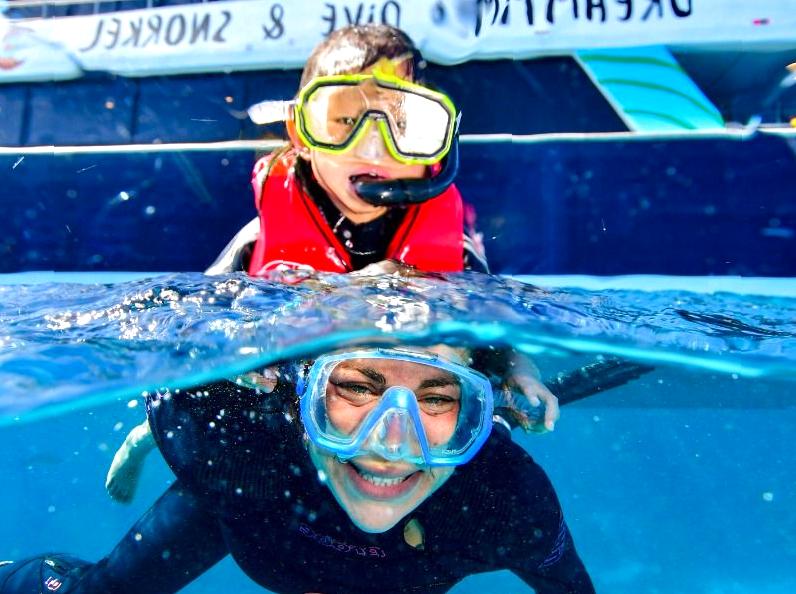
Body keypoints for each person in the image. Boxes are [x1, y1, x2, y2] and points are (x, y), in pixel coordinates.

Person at [105, 24, 560, 504]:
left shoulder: (458, 257)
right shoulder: (257, 242)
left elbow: (498, 338)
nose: (373, 146)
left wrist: (521, 372)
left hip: (375, 407)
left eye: (402, 124)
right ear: (301, 133)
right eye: (344, 120)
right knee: (202, 395)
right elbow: (192, 331)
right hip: (282, 395)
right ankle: (147, 436)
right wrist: (236, 354)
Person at [1, 345, 595, 594]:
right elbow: (180, 390)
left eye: (438, 399)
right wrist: (147, 440)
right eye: (357, 387)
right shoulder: (237, 451)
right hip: (250, 496)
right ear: (301, 398)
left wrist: (517, 363)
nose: (393, 446)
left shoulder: (503, 503)